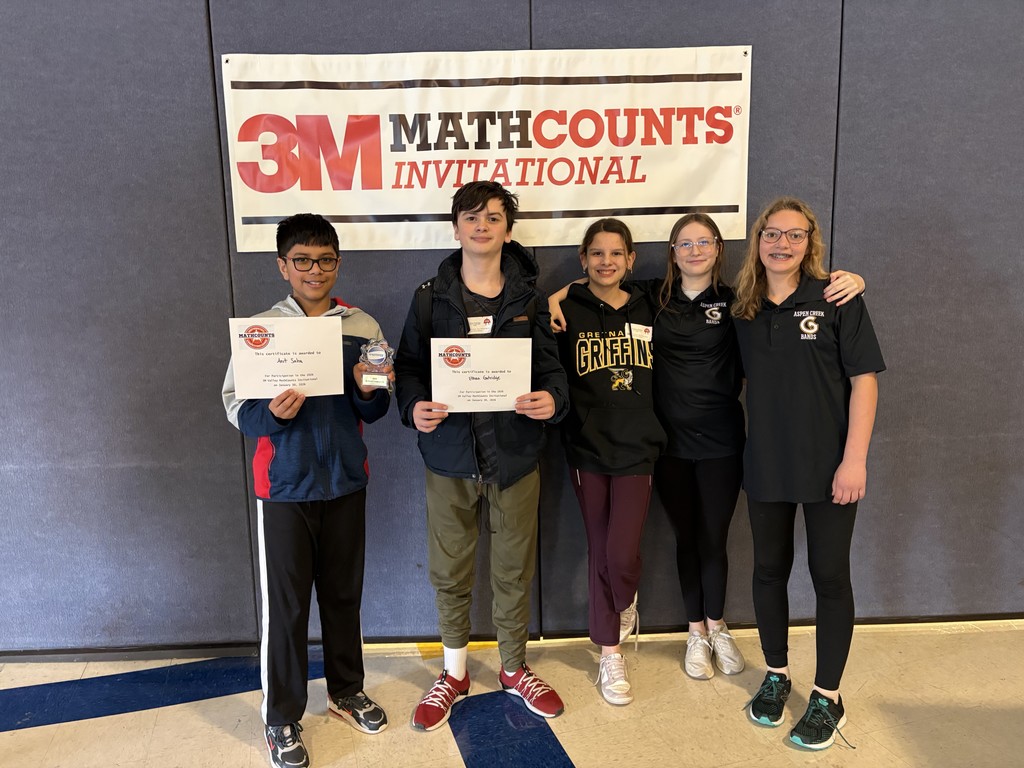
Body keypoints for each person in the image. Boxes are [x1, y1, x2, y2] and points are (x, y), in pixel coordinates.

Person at [549, 215, 865, 682]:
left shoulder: (742, 301)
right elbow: (597, 278)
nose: (694, 250)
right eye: (684, 243)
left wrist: (854, 278)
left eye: (704, 242)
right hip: (667, 443)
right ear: (671, 251)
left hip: (722, 440)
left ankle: (717, 626)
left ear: (719, 248)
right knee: (687, 538)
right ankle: (695, 631)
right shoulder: (651, 297)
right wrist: (557, 296)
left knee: (714, 539)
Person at [394, 181, 570, 732]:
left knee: (514, 569)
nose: (482, 225)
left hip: (515, 456)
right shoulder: (430, 297)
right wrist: (413, 407)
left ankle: (514, 668)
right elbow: (407, 369)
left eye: (494, 217)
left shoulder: (529, 299)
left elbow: (553, 372)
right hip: (449, 458)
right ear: (455, 228)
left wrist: (553, 401)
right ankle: (454, 671)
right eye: (471, 217)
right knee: (450, 570)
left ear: (508, 230)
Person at [222, 213, 393, 768]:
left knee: (344, 595)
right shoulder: (260, 330)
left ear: (337, 263)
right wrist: (268, 415)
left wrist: (369, 388)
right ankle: (282, 718)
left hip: (345, 481)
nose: (314, 270)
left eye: (324, 260)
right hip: (284, 489)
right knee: (288, 608)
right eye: (302, 260)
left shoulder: (364, 326)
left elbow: (377, 404)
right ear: (283, 266)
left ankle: (345, 691)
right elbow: (237, 409)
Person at [733, 197, 884, 750]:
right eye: (772, 234)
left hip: (830, 467)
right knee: (769, 571)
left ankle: (828, 697)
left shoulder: (838, 296)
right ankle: (776, 675)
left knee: (829, 577)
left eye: (794, 236)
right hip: (766, 464)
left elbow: (865, 380)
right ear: (758, 241)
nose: (782, 244)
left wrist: (855, 459)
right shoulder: (742, 308)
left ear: (810, 242)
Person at [553, 218, 666, 706]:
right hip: (587, 446)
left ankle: (625, 600)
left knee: (621, 554)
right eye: (596, 254)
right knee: (599, 548)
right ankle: (610, 652)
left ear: (631, 260)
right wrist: (559, 295)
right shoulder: (566, 309)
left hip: (639, 444)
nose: (606, 262)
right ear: (583, 260)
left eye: (615, 254)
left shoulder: (650, 302)